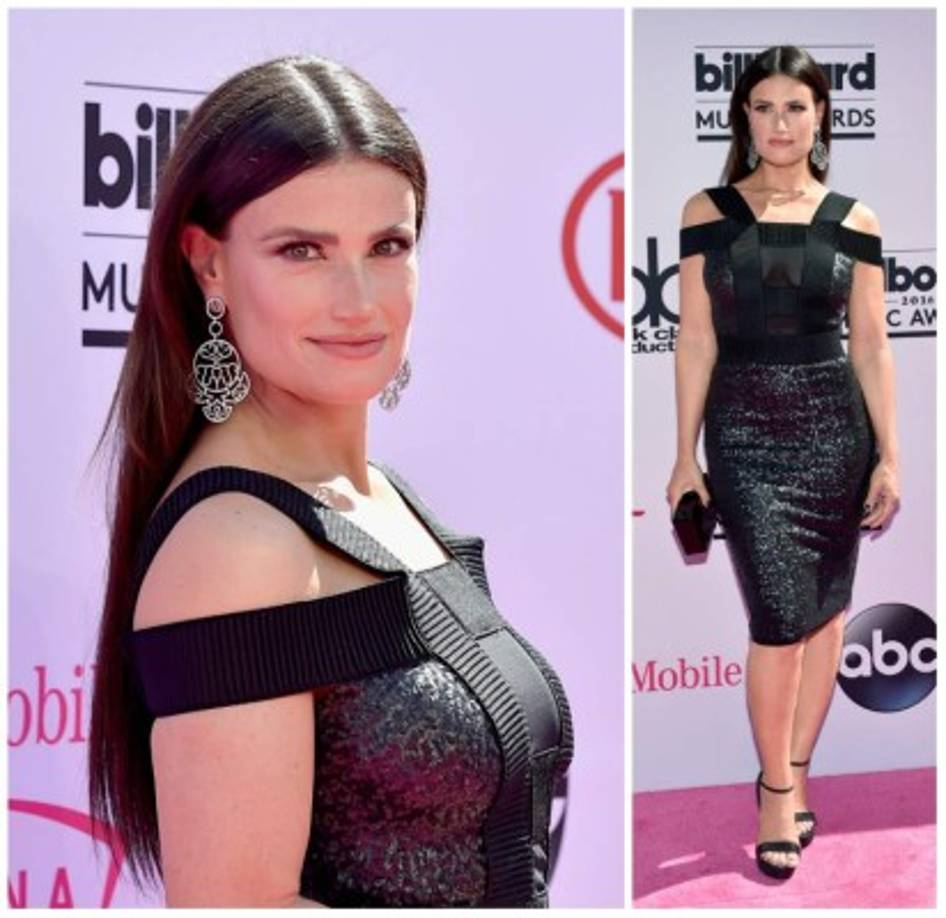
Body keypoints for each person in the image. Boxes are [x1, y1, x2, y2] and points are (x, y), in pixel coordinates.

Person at [86, 54, 572, 908]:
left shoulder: (381, 497)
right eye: (302, 250)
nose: (358, 300)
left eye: (387, 246)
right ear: (207, 264)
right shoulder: (237, 544)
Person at [666, 45, 899, 880]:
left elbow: (871, 347)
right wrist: (682, 455)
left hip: (837, 429)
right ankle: (772, 791)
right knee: (777, 620)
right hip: (744, 431)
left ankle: (798, 776)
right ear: (743, 119)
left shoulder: (855, 220)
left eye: (795, 107)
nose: (779, 124)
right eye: (763, 108)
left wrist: (890, 458)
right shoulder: (708, 210)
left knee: (827, 616)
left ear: (822, 115)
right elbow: (693, 337)